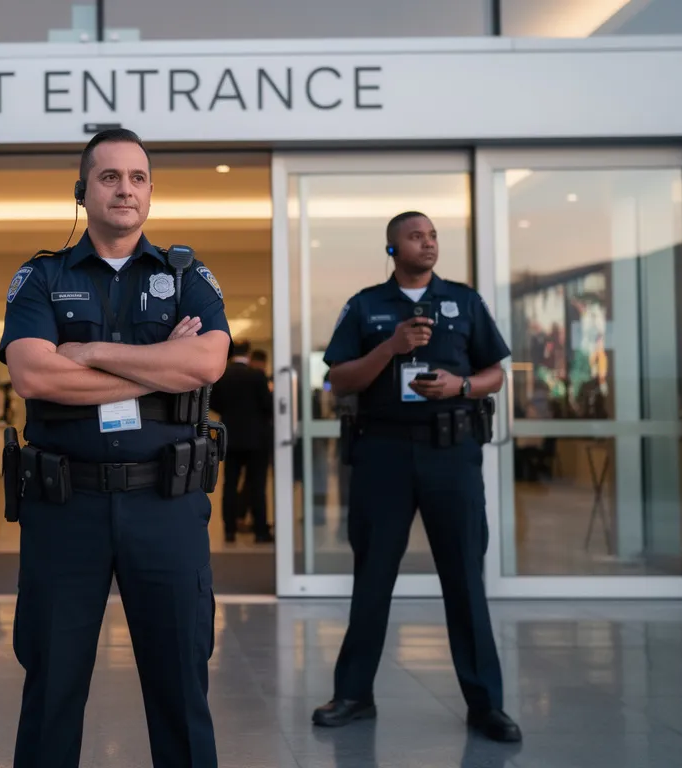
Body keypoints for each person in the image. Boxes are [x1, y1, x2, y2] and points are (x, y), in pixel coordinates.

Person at [0, 128, 231, 768]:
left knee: (182, 685)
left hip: (166, 504)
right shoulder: (41, 276)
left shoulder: (187, 275)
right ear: (82, 191)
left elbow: (207, 363)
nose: (125, 189)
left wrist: (91, 352)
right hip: (64, 507)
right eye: (109, 177)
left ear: (150, 192)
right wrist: (161, 366)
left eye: (137, 178)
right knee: (51, 684)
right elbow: (34, 375)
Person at [311, 211, 521, 743]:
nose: (427, 244)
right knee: (373, 575)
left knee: (465, 578)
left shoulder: (464, 301)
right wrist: (391, 347)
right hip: (383, 454)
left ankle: (486, 705)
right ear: (392, 249)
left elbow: (496, 373)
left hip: (451, 452)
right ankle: (353, 695)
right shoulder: (365, 306)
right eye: (415, 236)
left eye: (432, 236)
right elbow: (339, 379)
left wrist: (460, 387)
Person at [210, 340, 274, 543]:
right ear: (248, 353)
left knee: (229, 484)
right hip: (257, 439)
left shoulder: (222, 376)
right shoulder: (257, 376)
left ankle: (229, 530)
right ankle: (260, 531)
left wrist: (229, 413)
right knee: (257, 486)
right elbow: (268, 405)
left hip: (231, 438)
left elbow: (213, 402)